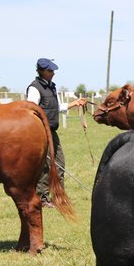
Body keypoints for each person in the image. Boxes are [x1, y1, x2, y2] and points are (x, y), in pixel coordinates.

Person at [26, 58, 87, 207]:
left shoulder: (52, 87)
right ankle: (43, 198)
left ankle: (59, 197)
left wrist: (75, 103)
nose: (53, 73)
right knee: (45, 166)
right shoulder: (34, 88)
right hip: (40, 133)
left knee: (60, 164)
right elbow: (31, 110)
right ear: (41, 71)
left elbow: (58, 106)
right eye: (50, 71)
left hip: (52, 131)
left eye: (53, 71)